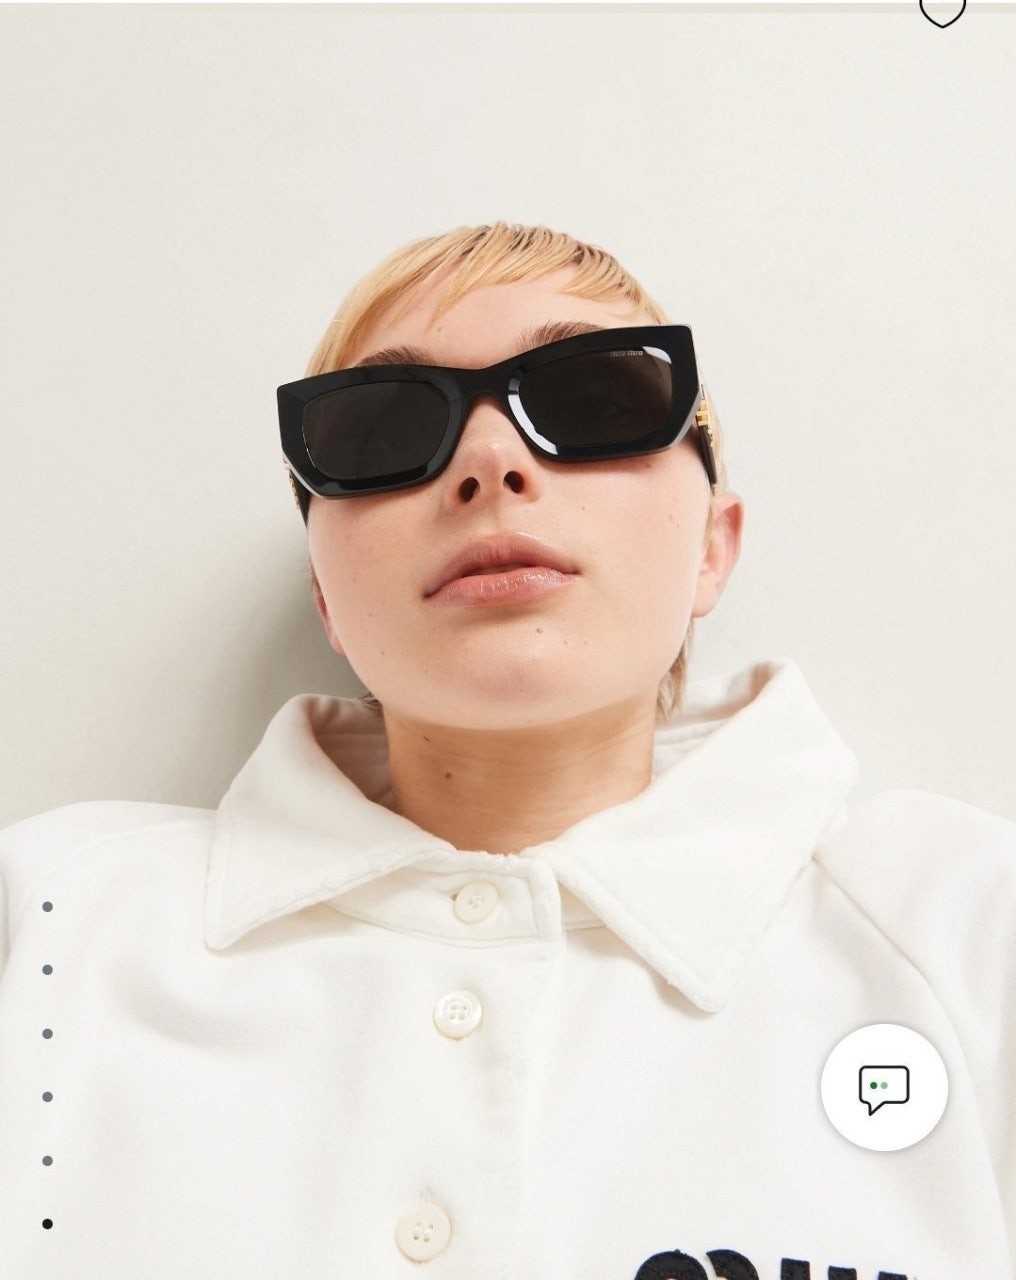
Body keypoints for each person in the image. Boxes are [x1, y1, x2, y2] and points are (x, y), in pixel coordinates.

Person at [1, 220, 1013, 1279]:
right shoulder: (52, 922)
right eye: (385, 426)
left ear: (713, 547)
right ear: (326, 597)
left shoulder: (967, 924)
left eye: (595, 402)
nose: (491, 462)